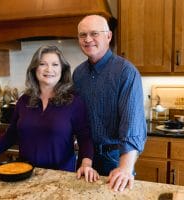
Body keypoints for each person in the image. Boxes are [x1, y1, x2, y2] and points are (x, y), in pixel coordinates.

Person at [0, 45, 99, 182]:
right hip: (25, 174)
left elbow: (85, 138)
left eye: (55, 64)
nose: (49, 69)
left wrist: (86, 165)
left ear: (62, 69)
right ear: (34, 69)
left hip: (59, 177)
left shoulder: (74, 101)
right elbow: (11, 135)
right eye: (42, 64)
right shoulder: (24, 100)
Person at [73, 15, 147, 191]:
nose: (88, 39)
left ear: (109, 36)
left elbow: (132, 123)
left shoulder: (126, 72)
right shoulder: (78, 74)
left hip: (115, 158)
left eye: (94, 33)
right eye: (83, 35)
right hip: (85, 158)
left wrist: (125, 168)